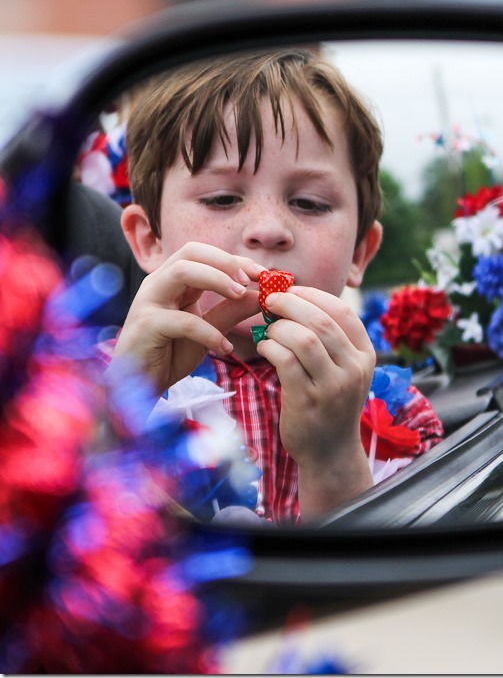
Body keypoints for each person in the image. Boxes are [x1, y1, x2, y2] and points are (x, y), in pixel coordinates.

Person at [109, 48, 443, 524]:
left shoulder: (402, 416)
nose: (268, 229)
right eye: (222, 198)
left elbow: (394, 581)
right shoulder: (87, 384)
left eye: (308, 203)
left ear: (359, 254)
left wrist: (334, 456)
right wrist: (124, 402)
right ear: (151, 240)